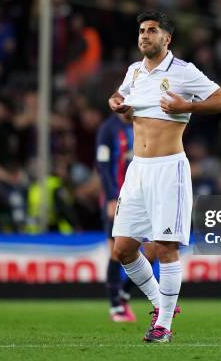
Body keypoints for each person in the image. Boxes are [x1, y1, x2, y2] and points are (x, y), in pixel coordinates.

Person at [109, 11, 221, 343]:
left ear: (167, 39)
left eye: (152, 31)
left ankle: (162, 326)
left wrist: (186, 107)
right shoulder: (134, 71)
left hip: (169, 169)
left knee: (165, 248)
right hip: (137, 170)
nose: (144, 35)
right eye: (141, 31)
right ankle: (162, 304)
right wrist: (117, 104)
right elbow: (122, 100)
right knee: (122, 250)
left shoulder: (183, 72)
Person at [95, 109, 156, 322]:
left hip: (139, 198)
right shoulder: (108, 129)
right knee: (116, 251)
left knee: (153, 250)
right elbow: (102, 167)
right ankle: (115, 307)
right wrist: (111, 197)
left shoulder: (140, 124)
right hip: (116, 198)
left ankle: (124, 292)